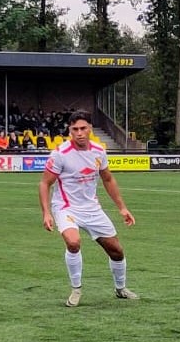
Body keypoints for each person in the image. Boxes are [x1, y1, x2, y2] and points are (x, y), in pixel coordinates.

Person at [40, 114, 138, 307]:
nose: (79, 133)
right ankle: (76, 289)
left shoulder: (99, 152)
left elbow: (108, 179)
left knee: (116, 251)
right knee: (73, 242)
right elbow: (45, 183)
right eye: (75, 129)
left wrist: (122, 208)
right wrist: (46, 212)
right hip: (65, 207)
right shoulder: (60, 153)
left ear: (90, 128)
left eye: (83, 128)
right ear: (70, 130)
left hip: (92, 209)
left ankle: (120, 289)